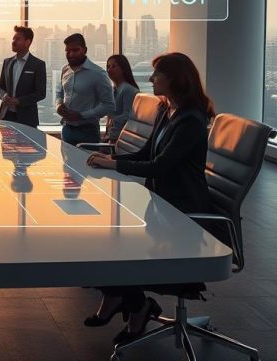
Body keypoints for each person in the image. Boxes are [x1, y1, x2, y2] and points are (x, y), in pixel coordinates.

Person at [85, 52, 216, 346]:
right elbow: (148, 154)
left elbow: (160, 166)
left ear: (175, 79)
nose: (150, 79)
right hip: (161, 203)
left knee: (118, 246)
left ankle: (129, 303)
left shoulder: (191, 120)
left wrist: (115, 165)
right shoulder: (167, 110)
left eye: (156, 74)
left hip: (183, 212)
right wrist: (112, 157)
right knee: (108, 239)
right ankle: (129, 302)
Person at [54, 33, 115, 145]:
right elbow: (59, 93)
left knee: (86, 162)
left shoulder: (98, 74)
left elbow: (109, 105)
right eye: (68, 51)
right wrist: (58, 105)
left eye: (75, 50)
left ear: (85, 50)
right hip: (67, 129)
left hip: (88, 131)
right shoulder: (65, 70)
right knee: (66, 162)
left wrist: (81, 115)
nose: (71, 54)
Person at [0, 26, 47, 128]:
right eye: (13, 38)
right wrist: (4, 96)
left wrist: (19, 101)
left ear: (28, 42)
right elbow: (0, 87)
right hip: (6, 116)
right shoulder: (7, 62)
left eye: (18, 39)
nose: (13, 42)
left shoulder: (38, 64)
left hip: (26, 119)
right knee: (5, 144)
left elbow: (41, 93)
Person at [104, 54, 140, 143]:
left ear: (123, 69)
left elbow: (128, 116)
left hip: (122, 140)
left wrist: (113, 121)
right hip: (113, 138)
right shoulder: (114, 90)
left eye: (114, 66)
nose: (109, 69)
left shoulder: (128, 90)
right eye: (108, 67)